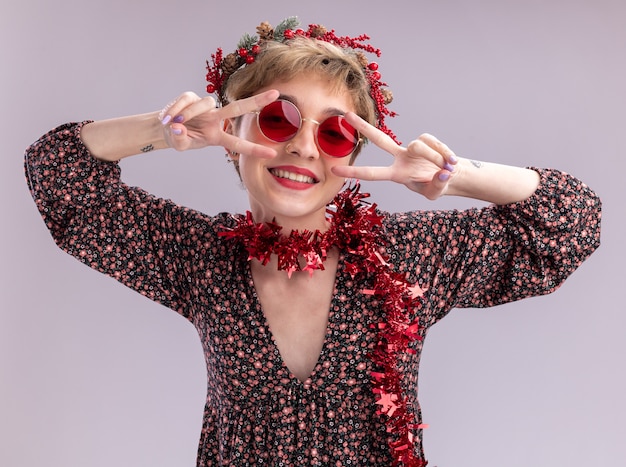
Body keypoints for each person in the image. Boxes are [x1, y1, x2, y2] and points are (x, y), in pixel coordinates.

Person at [24, 17, 601, 467]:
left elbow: (572, 223)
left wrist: (453, 176)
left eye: (332, 132)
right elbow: (57, 174)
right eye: (278, 120)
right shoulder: (200, 258)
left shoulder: (404, 259)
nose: (303, 148)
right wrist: (163, 130)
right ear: (232, 135)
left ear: (351, 155)